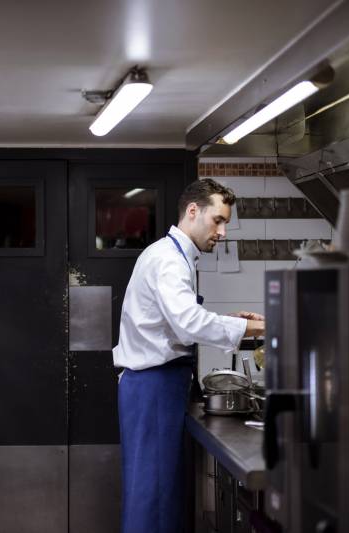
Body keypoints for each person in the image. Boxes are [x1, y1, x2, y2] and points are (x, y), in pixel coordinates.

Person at [114, 178, 265, 533]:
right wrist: (263, 327)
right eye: (218, 220)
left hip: (157, 387)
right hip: (152, 387)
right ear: (193, 211)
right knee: (152, 497)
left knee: (159, 493)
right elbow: (187, 324)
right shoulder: (168, 261)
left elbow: (178, 320)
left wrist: (232, 322)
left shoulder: (174, 256)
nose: (223, 232)